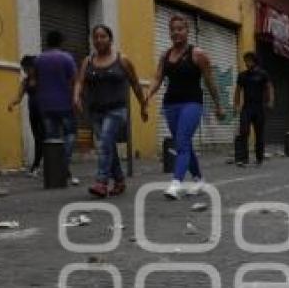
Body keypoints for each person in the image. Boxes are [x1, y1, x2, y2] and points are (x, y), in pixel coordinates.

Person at [146, 15, 226, 200]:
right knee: (185, 144)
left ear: (187, 31)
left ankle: (176, 183)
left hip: (192, 103)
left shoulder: (198, 54)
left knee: (181, 142)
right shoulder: (165, 55)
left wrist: (219, 106)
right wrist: (149, 94)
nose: (176, 32)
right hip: (170, 104)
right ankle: (199, 179)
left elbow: (210, 82)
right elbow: (157, 78)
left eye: (180, 29)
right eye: (173, 29)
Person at [73, 24, 148, 198]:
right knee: (108, 147)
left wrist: (143, 106)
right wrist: (76, 96)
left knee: (104, 142)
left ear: (110, 39)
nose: (99, 40)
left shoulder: (122, 60)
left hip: (117, 111)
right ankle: (120, 181)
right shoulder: (88, 61)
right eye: (96, 37)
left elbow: (136, 84)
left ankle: (101, 182)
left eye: (103, 36)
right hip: (95, 112)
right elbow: (79, 81)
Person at [36, 31, 79, 185]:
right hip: (65, 103)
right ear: (61, 42)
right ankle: (64, 167)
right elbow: (75, 80)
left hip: (45, 105)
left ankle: (54, 171)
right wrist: (76, 99)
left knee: (51, 139)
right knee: (69, 135)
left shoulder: (39, 59)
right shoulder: (67, 58)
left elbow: (35, 81)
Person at [234, 51, 273, 166]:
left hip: (259, 108)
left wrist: (270, 101)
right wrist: (236, 105)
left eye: (249, 60)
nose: (247, 62)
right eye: (245, 60)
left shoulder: (262, 74)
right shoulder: (242, 75)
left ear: (254, 61)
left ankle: (259, 158)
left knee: (259, 134)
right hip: (247, 108)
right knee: (244, 131)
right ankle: (243, 159)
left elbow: (269, 87)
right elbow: (238, 90)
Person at [8, 55, 44, 176]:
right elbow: (19, 96)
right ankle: (38, 165)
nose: (26, 71)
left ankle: (36, 165)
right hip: (33, 112)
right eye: (24, 68)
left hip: (44, 111)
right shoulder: (25, 81)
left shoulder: (43, 78)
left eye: (28, 68)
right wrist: (12, 103)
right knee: (37, 138)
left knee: (41, 138)